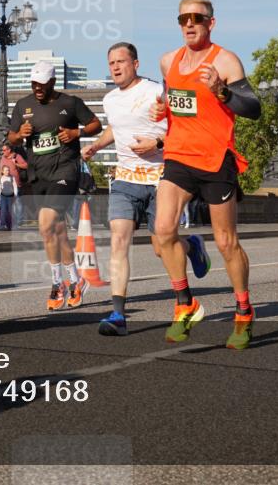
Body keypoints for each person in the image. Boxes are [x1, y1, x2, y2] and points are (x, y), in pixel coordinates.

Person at [150, 0, 261, 349]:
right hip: (179, 156)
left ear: (211, 23)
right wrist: (162, 111)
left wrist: (220, 90)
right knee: (163, 231)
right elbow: (175, 102)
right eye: (183, 18)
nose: (189, 24)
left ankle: (243, 311)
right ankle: (186, 304)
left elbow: (253, 108)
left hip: (216, 160)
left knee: (227, 243)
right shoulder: (169, 61)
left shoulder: (225, 60)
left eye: (197, 18)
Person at [82, 42, 210, 336]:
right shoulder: (110, 99)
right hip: (126, 179)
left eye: (121, 62)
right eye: (111, 62)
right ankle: (117, 315)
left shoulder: (156, 92)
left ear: (136, 64)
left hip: (163, 179)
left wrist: (158, 143)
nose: (115, 67)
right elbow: (115, 127)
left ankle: (192, 246)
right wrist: (97, 146)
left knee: (160, 248)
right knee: (118, 240)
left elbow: (188, 126)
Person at [8, 59, 103, 311]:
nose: (37, 88)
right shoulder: (23, 105)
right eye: (33, 84)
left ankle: (56, 283)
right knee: (56, 231)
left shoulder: (69, 103)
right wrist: (20, 135)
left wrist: (76, 134)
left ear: (52, 82)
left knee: (46, 224)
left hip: (65, 171)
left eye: (41, 84)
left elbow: (96, 125)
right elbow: (11, 136)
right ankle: (76, 280)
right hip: (38, 175)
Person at [0, 143, 27, 228]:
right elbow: (1, 169)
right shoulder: (3, 157)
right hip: (5, 185)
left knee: (17, 203)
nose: (2, 152)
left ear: (9, 150)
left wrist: (16, 164)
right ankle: (7, 222)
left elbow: (25, 165)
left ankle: (19, 222)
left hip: (15, 184)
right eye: (2, 150)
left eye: (4, 150)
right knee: (6, 205)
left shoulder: (16, 156)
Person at [0, 165, 18, 230]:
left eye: (8, 170)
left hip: (10, 196)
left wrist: (15, 195)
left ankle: (11, 225)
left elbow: (15, 187)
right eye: (6, 170)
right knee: (3, 211)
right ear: (3, 171)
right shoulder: (1, 178)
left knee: (10, 211)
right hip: (3, 196)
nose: (7, 171)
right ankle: (2, 224)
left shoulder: (12, 178)